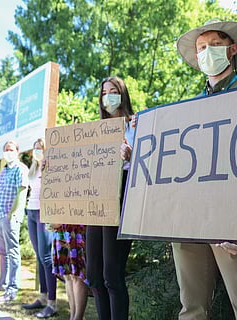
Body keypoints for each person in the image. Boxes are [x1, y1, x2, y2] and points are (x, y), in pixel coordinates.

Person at [159, 19, 237, 319]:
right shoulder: (185, 110)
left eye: (214, 45)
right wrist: (139, 148)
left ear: (232, 49)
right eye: (201, 48)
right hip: (189, 224)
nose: (206, 51)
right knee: (191, 310)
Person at [86, 76, 135, 320]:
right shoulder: (95, 132)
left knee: (112, 275)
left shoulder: (136, 126)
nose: (108, 96)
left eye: (113, 90)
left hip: (122, 197)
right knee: (94, 275)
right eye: (104, 92)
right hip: (97, 199)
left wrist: (131, 156)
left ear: (122, 94)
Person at [21, 138, 58, 317]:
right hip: (32, 211)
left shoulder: (50, 166)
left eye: (40, 148)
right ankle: (42, 297)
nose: (37, 151)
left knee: (46, 257)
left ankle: (52, 303)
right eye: (35, 148)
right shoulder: (33, 168)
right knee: (39, 257)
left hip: (45, 213)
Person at [0, 140, 29, 303]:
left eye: (11, 149)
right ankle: (2, 283)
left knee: (12, 251)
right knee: (2, 252)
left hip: (9, 217)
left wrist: (12, 213)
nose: (8, 152)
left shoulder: (21, 169)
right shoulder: (5, 170)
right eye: (6, 149)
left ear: (18, 151)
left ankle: (12, 289)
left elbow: (21, 192)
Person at [52, 224, 87, 320]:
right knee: (67, 274)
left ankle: (78, 317)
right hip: (61, 229)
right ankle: (72, 316)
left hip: (77, 227)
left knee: (77, 275)